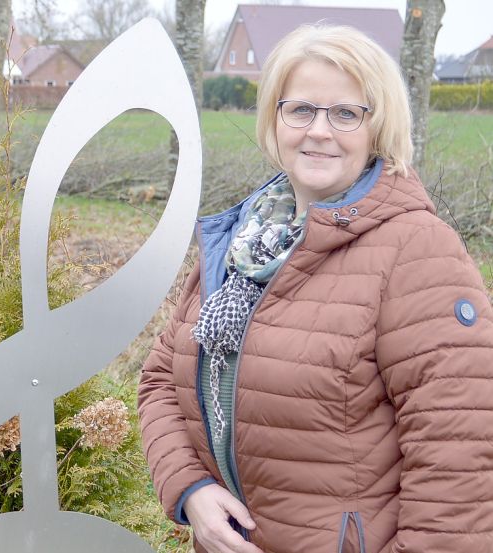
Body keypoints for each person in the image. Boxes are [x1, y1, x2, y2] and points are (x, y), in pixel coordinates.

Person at [138, 24, 493, 553]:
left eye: (347, 113)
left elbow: (458, 455)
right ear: (275, 120)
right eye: (301, 109)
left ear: (380, 128)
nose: (319, 130)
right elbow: (161, 380)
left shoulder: (416, 249)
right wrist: (191, 489)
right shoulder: (244, 242)